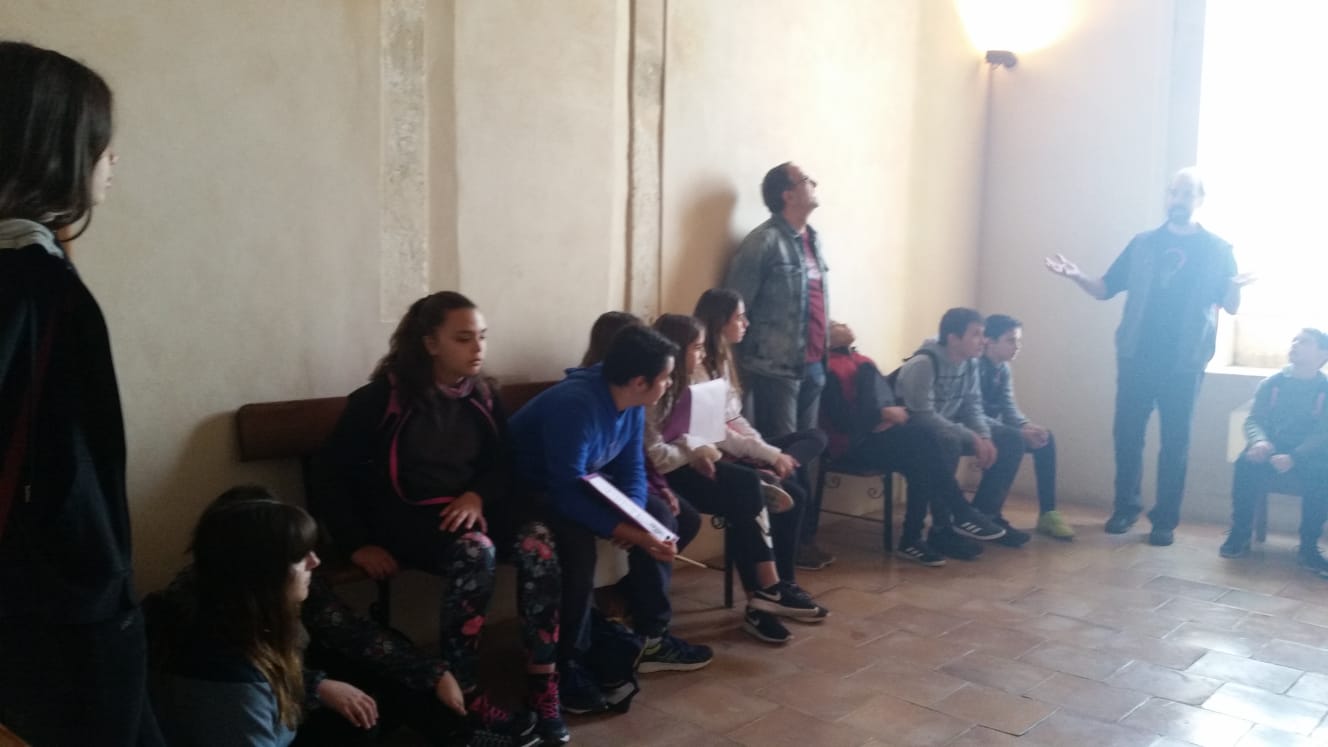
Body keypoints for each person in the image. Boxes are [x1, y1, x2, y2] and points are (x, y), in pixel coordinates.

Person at [0, 41, 162, 746]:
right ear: (50, 150)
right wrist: (104, 596)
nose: (111, 159)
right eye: (99, 141)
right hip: (59, 612)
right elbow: (72, 473)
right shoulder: (33, 284)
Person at [313, 291, 557, 745]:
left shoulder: (483, 395)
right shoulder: (380, 400)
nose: (478, 348)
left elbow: (502, 465)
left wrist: (476, 495)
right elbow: (331, 475)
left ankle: (543, 682)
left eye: (482, 337)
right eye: (463, 338)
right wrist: (355, 542)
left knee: (538, 541)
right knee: (476, 551)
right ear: (430, 343)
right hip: (405, 521)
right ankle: (463, 695)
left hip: (468, 512)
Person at [508, 325, 713, 714]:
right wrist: (628, 532)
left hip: (580, 486)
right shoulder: (576, 405)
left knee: (659, 514)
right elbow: (563, 491)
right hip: (528, 493)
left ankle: (650, 636)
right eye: (666, 377)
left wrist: (633, 519)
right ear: (639, 381)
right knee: (576, 547)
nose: (669, 384)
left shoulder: (631, 402)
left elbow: (631, 467)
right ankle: (566, 663)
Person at [1046, 167, 1253, 545]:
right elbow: (1105, 288)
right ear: (1167, 197)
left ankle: (1164, 521)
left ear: (1200, 200)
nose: (1179, 199)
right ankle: (1125, 508)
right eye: (1174, 192)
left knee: (1175, 443)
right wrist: (1076, 275)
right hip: (1136, 356)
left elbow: (1231, 305)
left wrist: (1235, 288)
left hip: (1185, 362)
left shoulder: (1218, 250)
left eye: (1187, 193)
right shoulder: (1142, 244)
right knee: (1127, 435)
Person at [145, 488, 380, 747]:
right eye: (300, 556)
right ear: (265, 572)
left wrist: (316, 686)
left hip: (276, 722)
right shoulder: (230, 675)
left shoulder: (226, 613)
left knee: (359, 715)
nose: (315, 561)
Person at [647, 313, 830, 645]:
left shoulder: (697, 376)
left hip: (697, 461)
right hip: (670, 473)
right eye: (696, 347)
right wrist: (697, 448)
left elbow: (715, 429)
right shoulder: (657, 387)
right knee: (746, 491)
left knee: (774, 493)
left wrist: (767, 454)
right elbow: (659, 454)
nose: (746, 323)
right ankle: (767, 596)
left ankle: (774, 593)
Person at [822, 321, 1005, 566]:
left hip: (875, 436)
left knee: (923, 450)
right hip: (849, 445)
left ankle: (915, 538)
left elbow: (881, 400)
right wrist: (881, 415)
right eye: (834, 323)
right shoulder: (827, 368)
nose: (842, 325)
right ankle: (957, 513)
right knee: (924, 445)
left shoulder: (860, 360)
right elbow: (840, 421)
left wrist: (887, 415)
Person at [725, 162, 835, 565]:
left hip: (814, 365)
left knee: (805, 453)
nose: (814, 183)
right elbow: (735, 306)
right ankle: (782, 548)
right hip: (775, 368)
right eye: (807, 180)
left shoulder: (813, 239)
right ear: (787, 194)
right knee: (782, 458)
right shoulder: (763, 242)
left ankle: (802, 540)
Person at [693, 288, 833, 570]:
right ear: (720, 321)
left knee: (816, 436)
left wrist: (767, 452)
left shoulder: (725, 359)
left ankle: (771, 472)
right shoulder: (698, 370)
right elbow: (717, 433)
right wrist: (768, 454)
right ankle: (782, 579)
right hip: (720, 452)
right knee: (796, 494)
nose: (746, 324)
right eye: (739, 318)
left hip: (742, 446)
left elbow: (736, 417)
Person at [895, 308, 1029, 558]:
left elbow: (972, 406)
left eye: (983, 334)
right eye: (976, 334)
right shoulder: (924, 363)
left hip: (949, 428)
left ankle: (984, 516)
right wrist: (972, 437)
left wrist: (984, 436)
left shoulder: (970, 363)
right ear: (953, 338)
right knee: (948, 442)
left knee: (1011, 438)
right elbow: (922, 416)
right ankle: (943, 529)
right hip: (919, 437)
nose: (983, 341)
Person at [1220, 329, 1328, 574]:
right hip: (1272, 446)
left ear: (1323, 353)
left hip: (1307, 454)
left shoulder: (1325, 389)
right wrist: (1259, 441)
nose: (1295, 344)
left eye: (1305, 342)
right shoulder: (1273, 383)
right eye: (1294, 340)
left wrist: (1295, 457)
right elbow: (1254, 419)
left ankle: (1309, 546)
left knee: (1323, 476)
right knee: (1245, 463)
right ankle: (1240, 534)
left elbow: (1323, 433)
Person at [980, 314, 1074, 540]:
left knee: (1045, 438)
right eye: (1011, 340)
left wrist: (1026, 426)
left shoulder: (1003, 369)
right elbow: (970, 413)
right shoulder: (974, 366)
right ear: (990, 341)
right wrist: (1018, 432)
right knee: (1012, 439)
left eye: (1018, 341)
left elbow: (1009, 407)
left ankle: (1048, 513)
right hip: (972, 427)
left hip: (993, 427)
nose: (1017, 346)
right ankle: (986, 514)